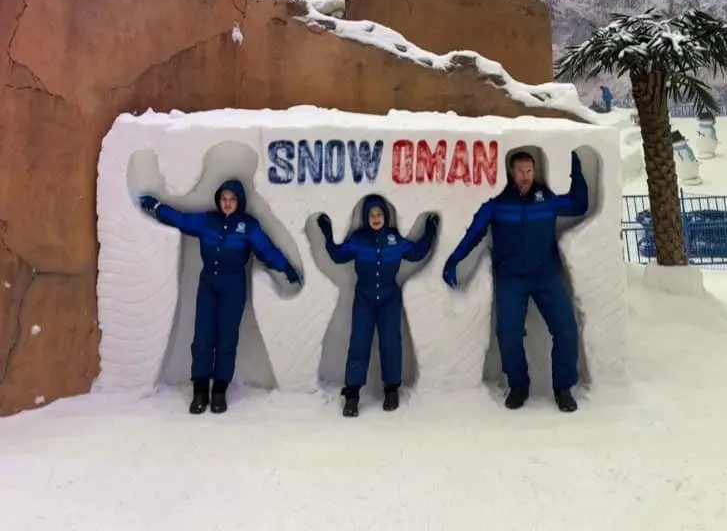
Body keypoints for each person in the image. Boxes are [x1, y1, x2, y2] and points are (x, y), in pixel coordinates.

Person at [139, 179, 302, 415]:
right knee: (203, 337)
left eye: (232, 199)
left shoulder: (248, 226)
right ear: (219, 200)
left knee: (227, 338)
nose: (227, 204)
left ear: (239, 202)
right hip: (208, 283)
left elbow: (266, 250)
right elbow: (181, 220)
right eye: (224, 199)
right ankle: (200, 390)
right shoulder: (208, 221)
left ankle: (219, 391)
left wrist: (285, 268)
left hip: (233, 285)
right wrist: (156, 208)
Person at [442, 151, 588, 413]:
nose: (525, 177)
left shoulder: (546, 199)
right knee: (508, 334)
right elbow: (475, 232)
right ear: (511, 172)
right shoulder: (498, 203)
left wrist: (576, 168)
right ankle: (518, 386)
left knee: (566, 328)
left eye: (529, 171)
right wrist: (454, 260)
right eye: (520, 171)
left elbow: (578, 205)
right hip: (511, 278)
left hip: (547, 275)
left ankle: (563, 388)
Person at [316, 195, 439, 418]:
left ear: (386, 216)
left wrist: (430, 232)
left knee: (391, 343)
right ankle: (352, 394)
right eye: (371, 215)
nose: (375, 219)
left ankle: (391, 389)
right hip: (364, 298)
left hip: (390, 298)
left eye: (379, 215)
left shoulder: (394, 239)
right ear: (366, 217)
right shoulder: (358, 239)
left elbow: (416, 252)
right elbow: (337, 255)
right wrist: (326, 232)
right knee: (359, 343)